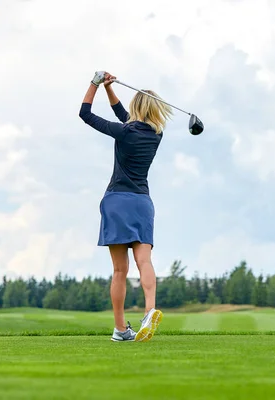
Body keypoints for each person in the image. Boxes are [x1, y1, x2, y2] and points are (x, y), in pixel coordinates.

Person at [79, 71, 172, 342]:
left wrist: (94, 84)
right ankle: (149, 310)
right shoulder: (157, 134)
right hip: (142, 203)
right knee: (144, 260)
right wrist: (109, 89)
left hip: (116, 201)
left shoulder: (123, 131)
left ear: (136, 107)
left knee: (120, 270)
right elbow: (124, 115)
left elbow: (85, 114)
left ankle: (120, 329)